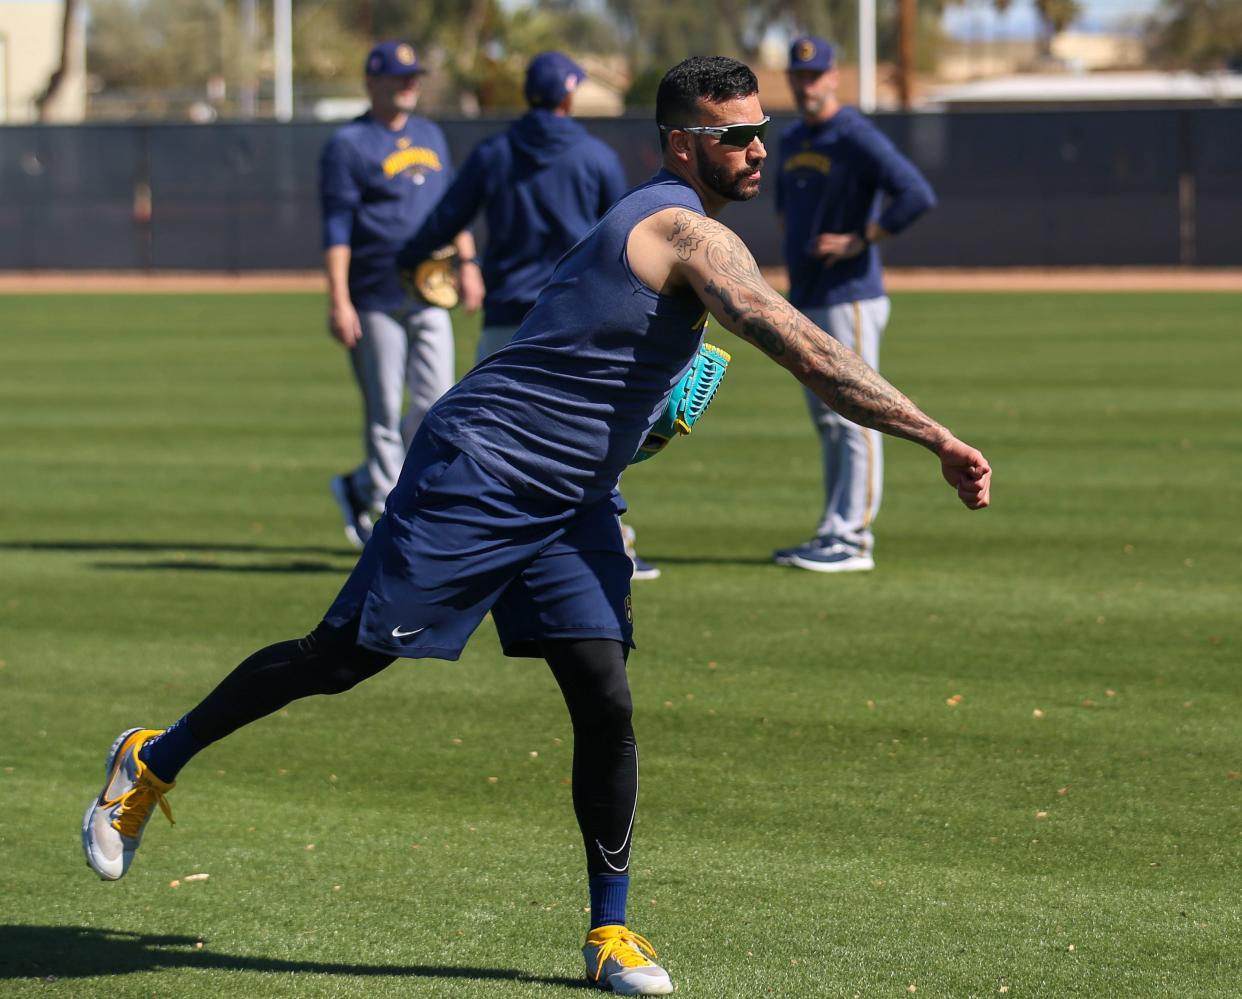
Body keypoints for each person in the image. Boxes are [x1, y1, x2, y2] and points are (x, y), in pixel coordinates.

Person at [81, 56, 990, 996]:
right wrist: (933, 434)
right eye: (735, 136)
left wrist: (632, 431)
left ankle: (610, 932)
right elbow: (797, 340)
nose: (758, 149)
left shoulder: (667, 224)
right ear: (684, 144)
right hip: (480, 471)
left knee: (604, 694)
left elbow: (577, 354)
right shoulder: (683, 225)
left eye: (763, 131)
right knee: (340, 658)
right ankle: (151, 757)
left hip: (569, 499)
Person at [397, 51, 659, 579]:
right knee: (585, 441)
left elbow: (447, 217)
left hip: (507, 320)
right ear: (567, 94)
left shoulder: (495, 152)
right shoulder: (594, 156)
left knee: (490, 442)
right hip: (576, 324)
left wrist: (406, 258)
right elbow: (629, 235)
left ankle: (481, 550)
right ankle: (612, 545)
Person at [772, 36, 938, 573]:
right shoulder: (794, 138)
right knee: (828, 419)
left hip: (851, 296)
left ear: (834, 76)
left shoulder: (855, 134)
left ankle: (854, 538)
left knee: (857, 415)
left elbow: (915, 192)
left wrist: (859, 238)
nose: (807, 84)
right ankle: (832, 529)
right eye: (799, 76)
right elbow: (783, 208)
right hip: (807, 294)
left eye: (815, 74)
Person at [320, 40, 484, 550]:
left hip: (431, 292)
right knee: (385, 407)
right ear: (372, 82)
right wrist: (339, 300)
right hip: (374, 295)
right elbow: (336, 229)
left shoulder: (430, 134)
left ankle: (372, 487)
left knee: (436, 404)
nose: (409, 84)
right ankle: (383, 510)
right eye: (399, 76)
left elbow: (453, 207)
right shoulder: (349, 145)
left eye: (414, 76)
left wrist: (470, 262)